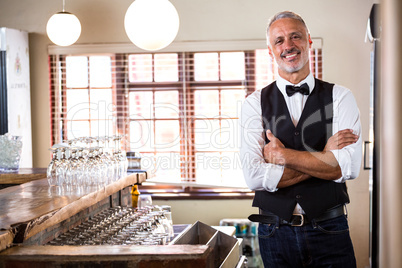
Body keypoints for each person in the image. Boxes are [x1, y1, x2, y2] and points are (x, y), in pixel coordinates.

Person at [240, 11, 362, 267]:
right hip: (274, 233)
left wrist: (284, 157)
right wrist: (324, 157)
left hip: (330, 228)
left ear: (308, 40)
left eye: (295, 36)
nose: (288, 45)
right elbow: (253, 176)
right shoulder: (253, 104)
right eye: (279, 40)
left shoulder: (341, 97)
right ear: (270, 51)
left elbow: (346, 167)